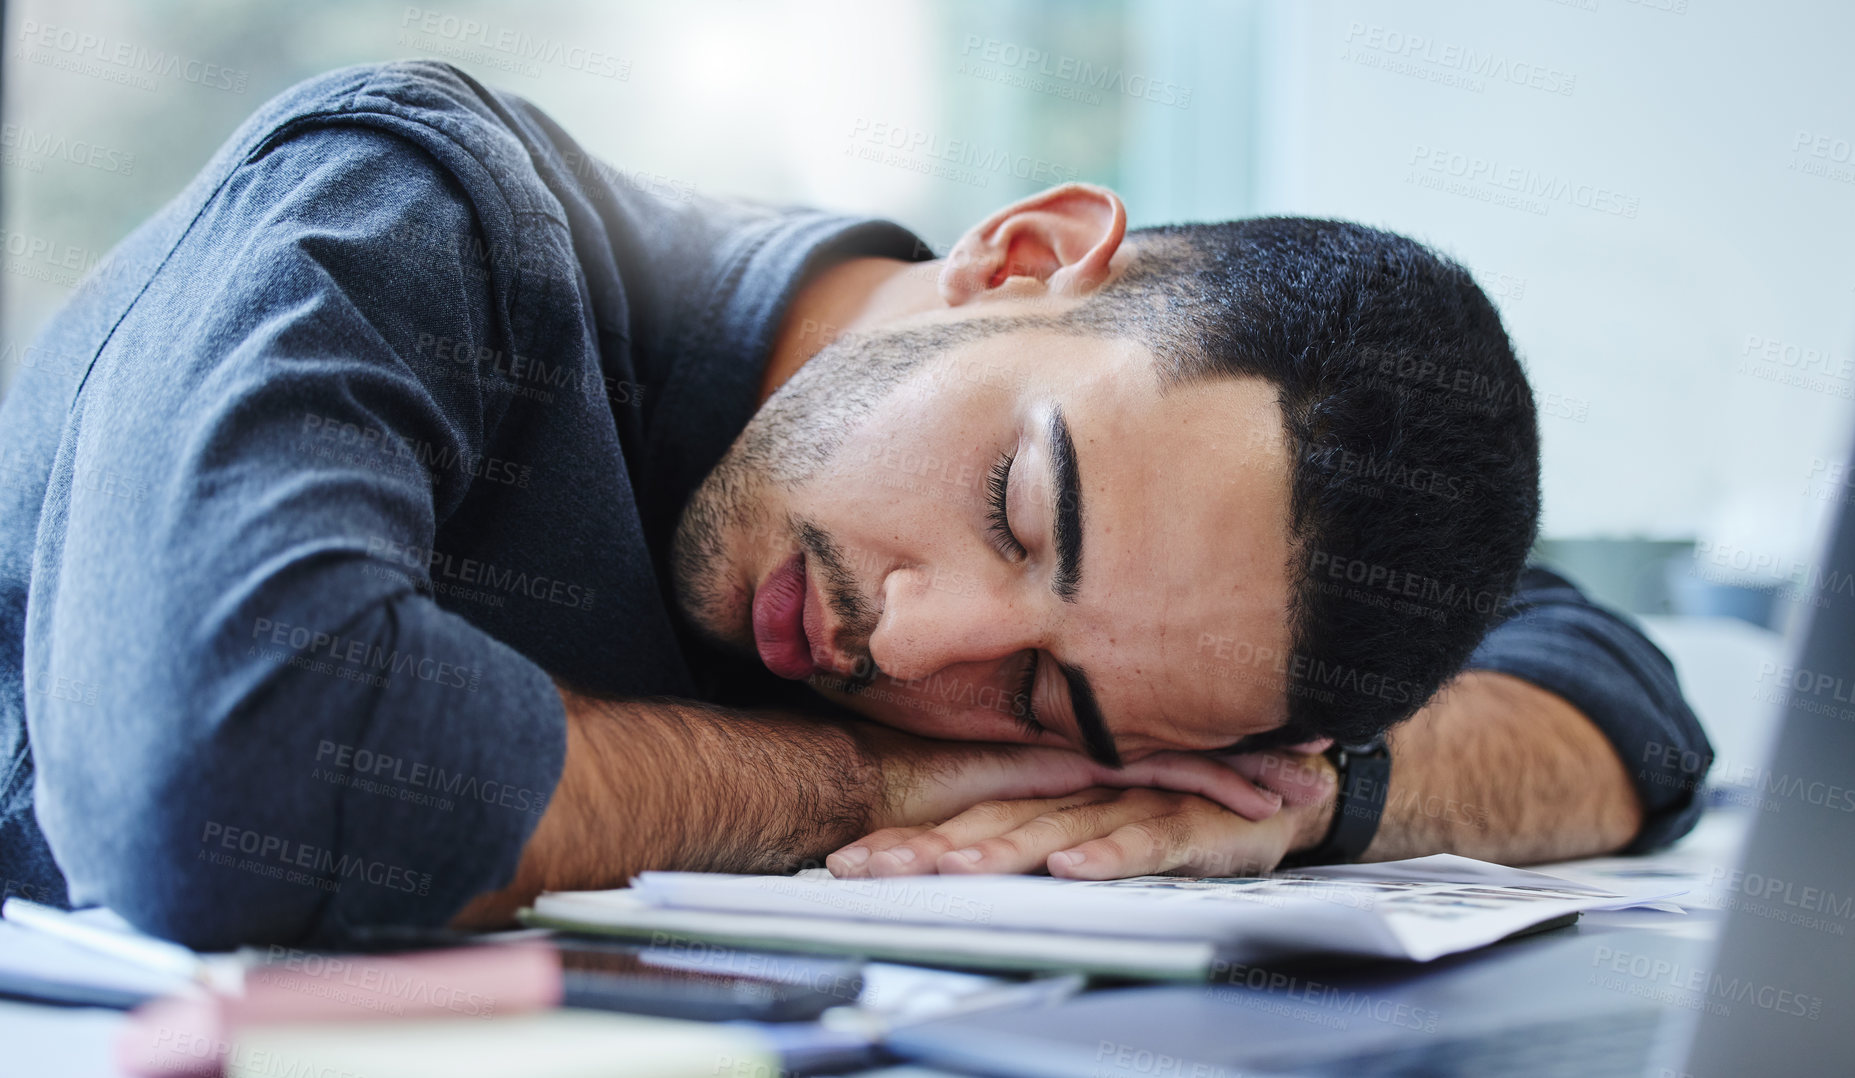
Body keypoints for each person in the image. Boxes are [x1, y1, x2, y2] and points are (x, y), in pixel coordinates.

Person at [0, 62, 1710, 948]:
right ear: (1024, 257)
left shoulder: (1202, 570)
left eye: (1048, 697)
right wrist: (876, 778)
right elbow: (221, 775)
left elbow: (1622, 693)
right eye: (1019, 507)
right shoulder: (411, 218)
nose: (921, 637)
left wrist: (1293, 801)